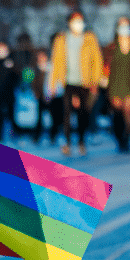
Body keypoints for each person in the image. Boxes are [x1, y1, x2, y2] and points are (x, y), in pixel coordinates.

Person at [50, 10, 103, 157]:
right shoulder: (61, 39)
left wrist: (95, 80)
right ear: (69, 23)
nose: (78, 24)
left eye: (80, 20)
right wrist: (53, 83)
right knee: (66, 113)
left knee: (83, 113)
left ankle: (81, 141)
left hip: (85, 82)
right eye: (75, 20)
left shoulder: (90, 38)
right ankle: (67, 142)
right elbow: (56, 62)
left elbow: (97, 60)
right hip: (67, 82)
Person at [103, 17, 130, 153]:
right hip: (115, 83)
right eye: (121, 25)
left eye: (126, 25)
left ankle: (126, 138)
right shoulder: (111, 46)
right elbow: (106, 66)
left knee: (128, 111)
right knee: (117, 114)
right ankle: (119, 137)